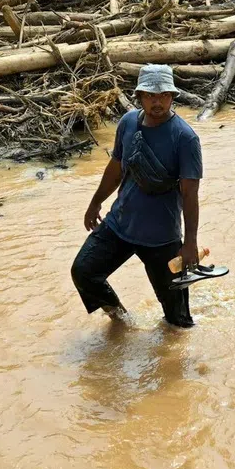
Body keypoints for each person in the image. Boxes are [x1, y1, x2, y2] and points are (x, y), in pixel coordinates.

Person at [71, 64, 204, 329]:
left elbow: (190, 194)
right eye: (151, 95)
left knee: (178, 321)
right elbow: (117, 167)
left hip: (161, 236)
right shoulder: (128, 122)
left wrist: (189, 243)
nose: (158, 101)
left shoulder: (185, 138)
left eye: (164, 95)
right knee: (84, 272)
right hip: (121, 223)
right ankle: (121, 322)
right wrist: (96, 201)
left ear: (172, 96)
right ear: (140, 96)